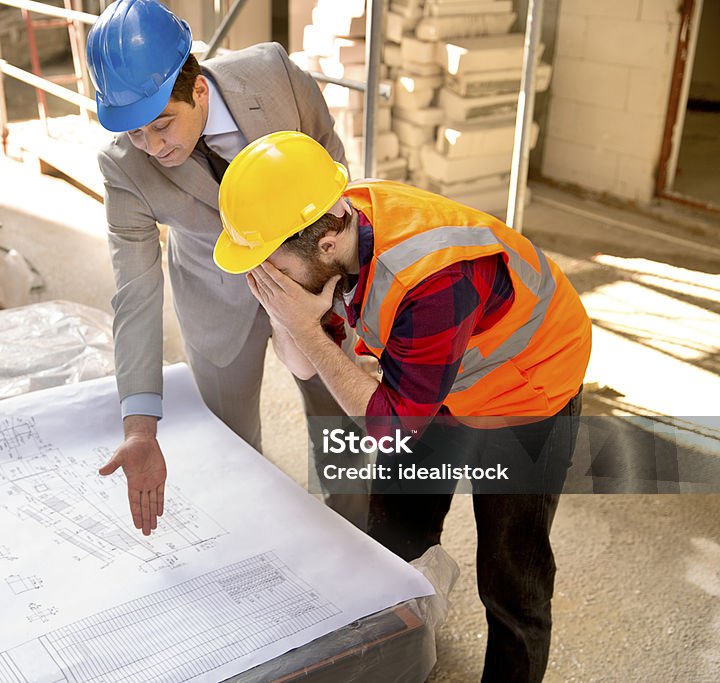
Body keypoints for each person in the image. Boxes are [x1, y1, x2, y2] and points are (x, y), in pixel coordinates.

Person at [214, 130, 592, 683]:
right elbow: (301, 365)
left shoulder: (434, 280)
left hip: (526, 388)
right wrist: (288, 315)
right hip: (432, 378)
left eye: (272, 266)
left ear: (322, 244)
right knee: (392, 535)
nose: (268, 280)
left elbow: (388, 428)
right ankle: (402, 654)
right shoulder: (335, 229)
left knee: (512, 575)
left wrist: (309, 332)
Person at [86, 0, 361, 536]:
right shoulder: (123, 168)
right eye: (135, 133)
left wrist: (333, 285)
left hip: (314, 282)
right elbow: (135, 293)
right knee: (232, 441)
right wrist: (140, 427)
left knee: (338, 420)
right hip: (215, 296)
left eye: (161, 126)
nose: (151, 147)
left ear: (198, 90)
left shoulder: (276, 77)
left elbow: (335, 176)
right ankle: (255, 547)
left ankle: (350, 535)